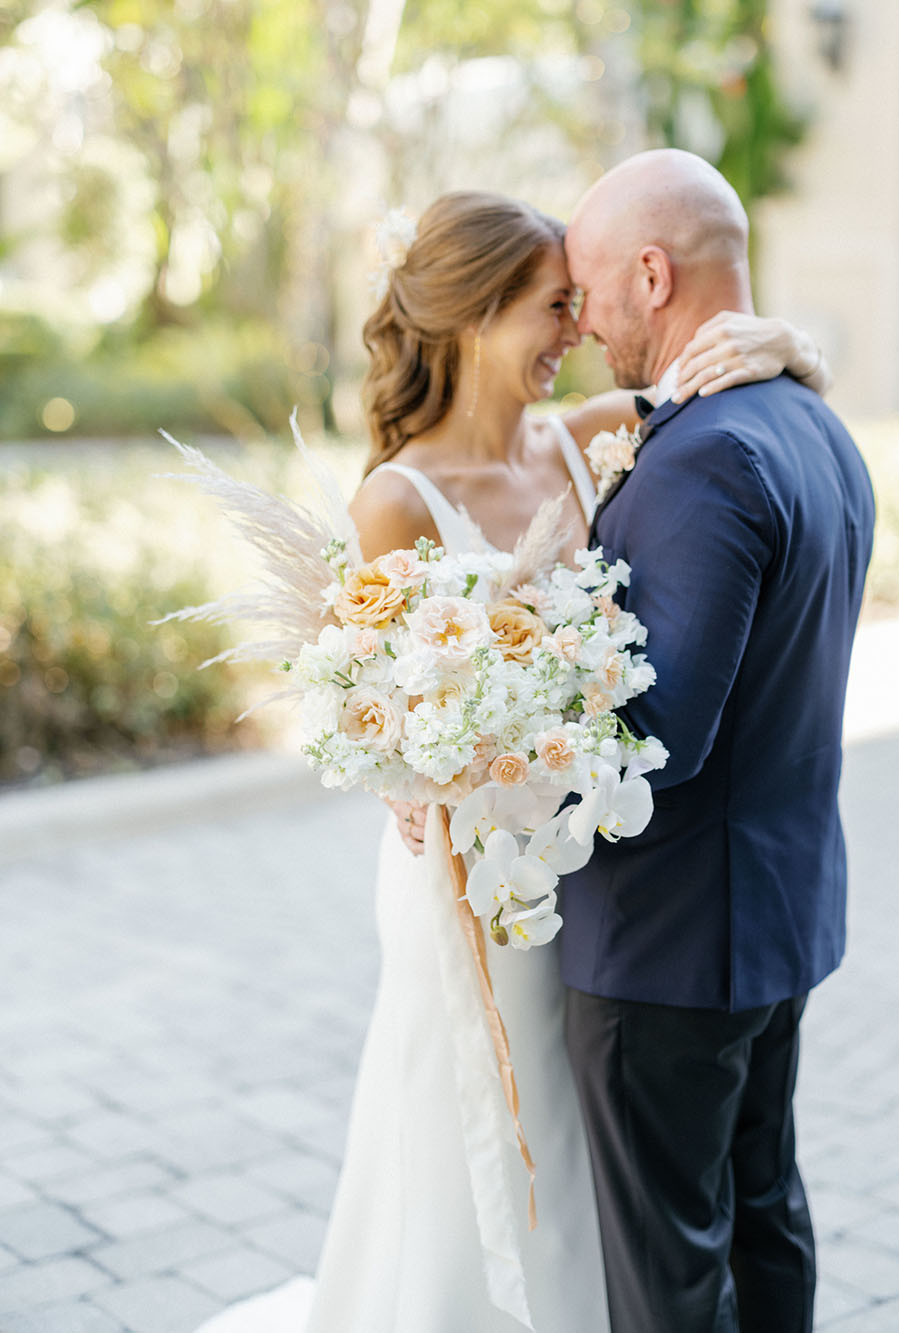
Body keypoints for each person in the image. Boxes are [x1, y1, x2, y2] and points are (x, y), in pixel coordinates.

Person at [195, 189, 832, 1333]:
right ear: (477, 317)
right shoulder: (396, 500)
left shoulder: (592, 436)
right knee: (479, 1125)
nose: (579, 330)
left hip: (594, 867)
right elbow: (375, 701)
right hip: (467, 879)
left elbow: (741, 396)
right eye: (554, 307)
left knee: (593, 1145)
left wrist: (790, 341)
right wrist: (412, 766)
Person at [559, 150, 876, 1333]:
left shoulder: (704, 460)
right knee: (762, 1211)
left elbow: (653, 738)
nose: (581, 319)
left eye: (588, 289)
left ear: (650, 274)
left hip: (671, 939)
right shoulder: (815, 424)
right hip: (772, 916)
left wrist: (473, 759)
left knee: (668, 1272)